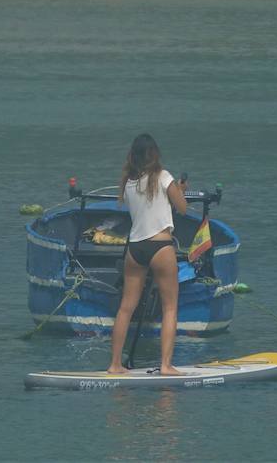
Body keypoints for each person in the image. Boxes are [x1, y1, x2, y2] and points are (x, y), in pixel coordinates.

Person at [107, 133, 188, 377]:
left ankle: (114, 365)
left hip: (136, 249)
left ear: (133, 155)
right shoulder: (164, 177)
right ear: (155, 154)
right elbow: (182, 209)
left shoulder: (128, 183)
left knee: (125, 308)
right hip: (160, 247)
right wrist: (180, 191)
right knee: (170, 307)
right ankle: (165, 365)